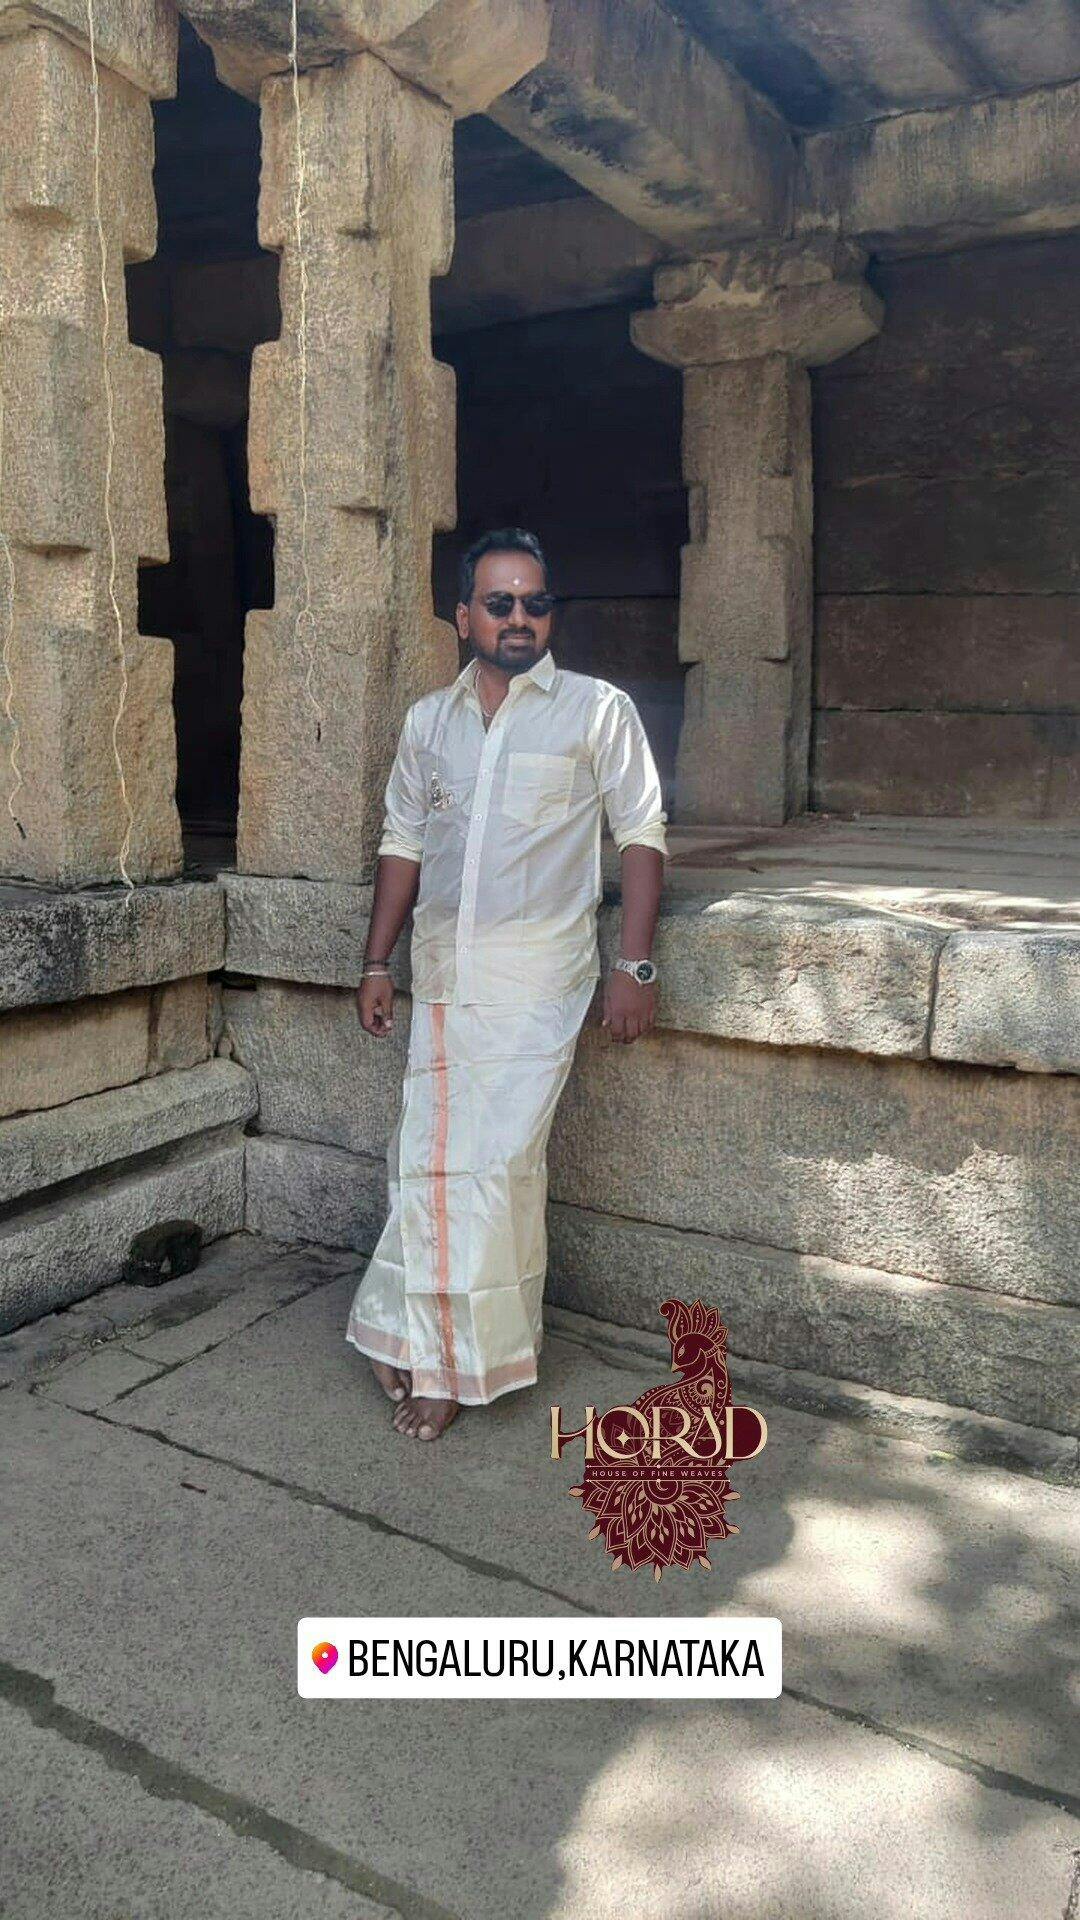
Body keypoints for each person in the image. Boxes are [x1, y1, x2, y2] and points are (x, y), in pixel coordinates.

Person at [346, 527, 667, 1441]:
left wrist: (635, 965)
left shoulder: (598, 711)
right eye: (500, 603)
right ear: (464, 617)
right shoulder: (428, 722)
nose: (520, 617)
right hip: (443, 978)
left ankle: (452, 1367)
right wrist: (376, 961)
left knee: (496, 1172)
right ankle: (401, 1329)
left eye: (536, 602)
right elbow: (403, 843)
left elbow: (642, 834)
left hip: (538, 985)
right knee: (428, 1166)